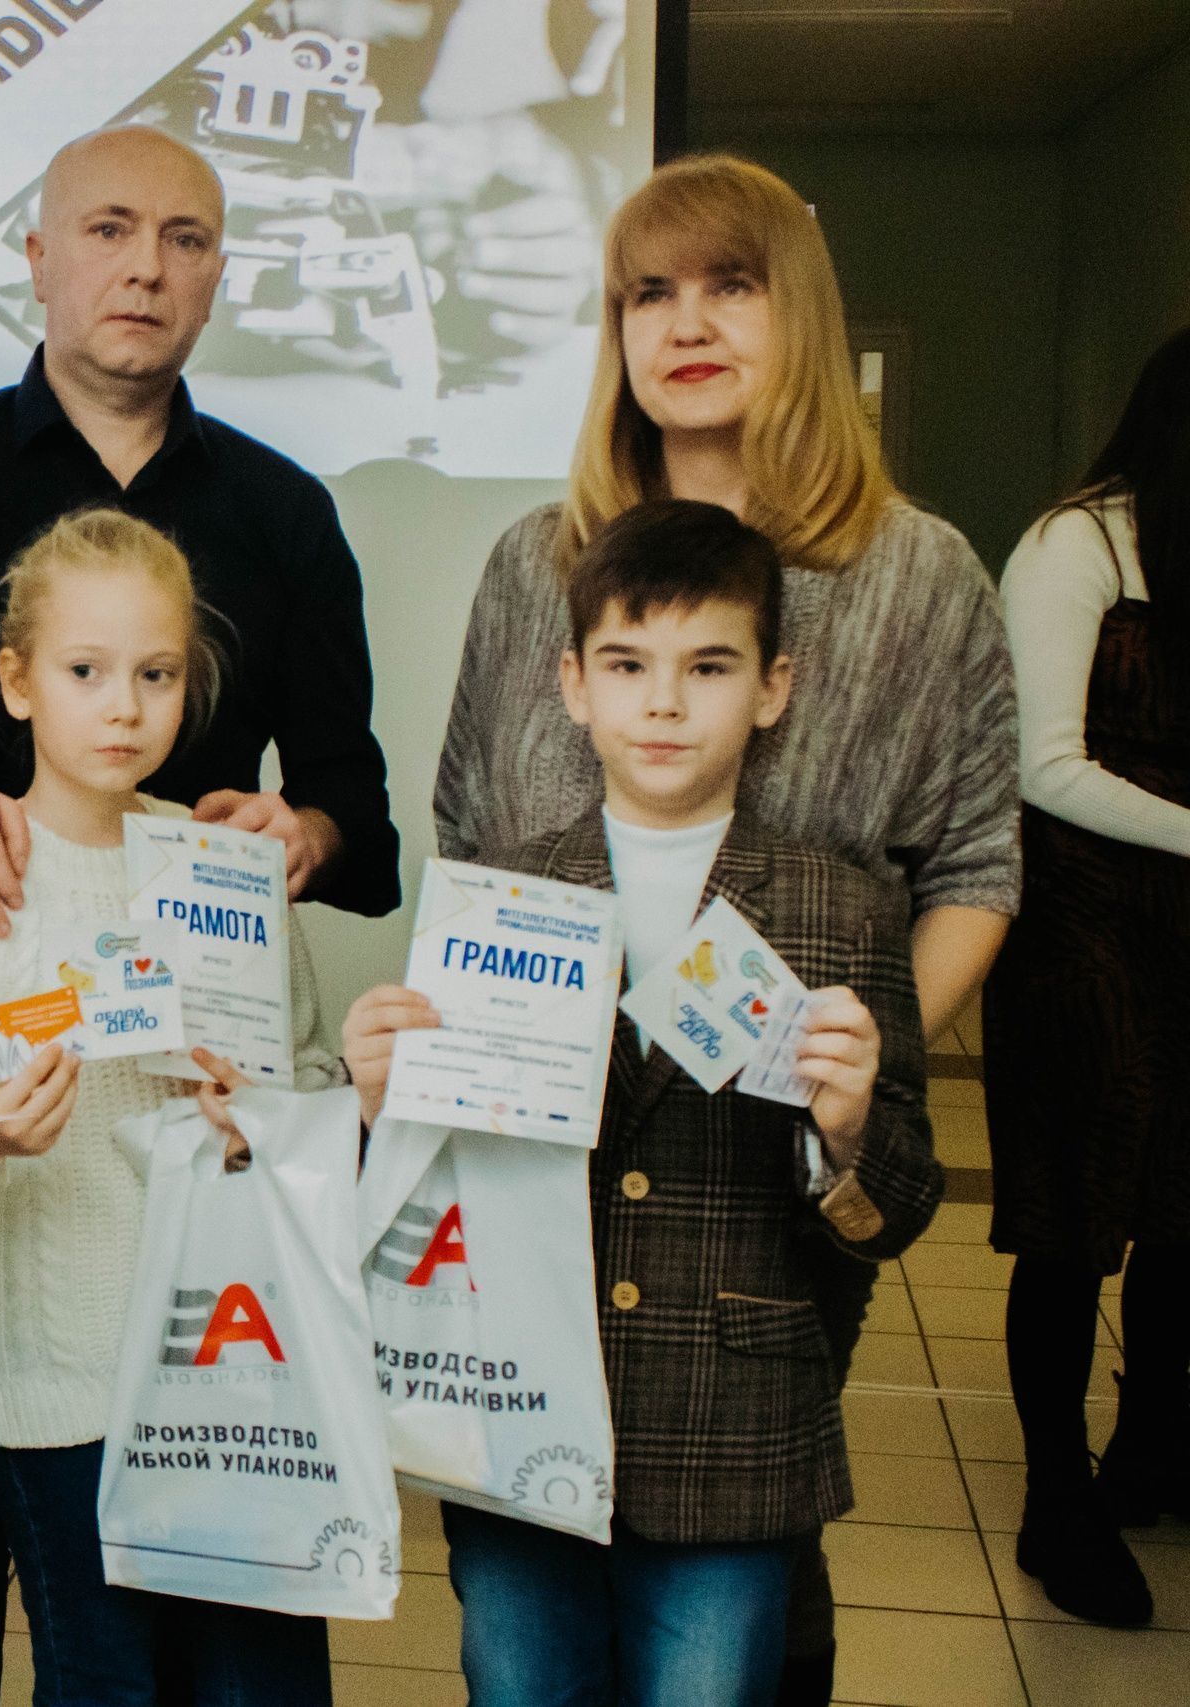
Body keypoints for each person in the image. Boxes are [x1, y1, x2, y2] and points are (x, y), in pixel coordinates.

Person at [0, 123, 399, 1704]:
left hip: (207, 1145)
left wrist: (295, 835)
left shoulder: (286, 509)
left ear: (219, 275)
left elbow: (354, 808)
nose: (145, 266)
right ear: (37, 257)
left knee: (223, 1611)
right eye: (109, 229)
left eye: (186, 238)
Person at [430, 152, 1018, 1704]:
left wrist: (848, 1075)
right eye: (650, 293)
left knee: (748, 1558)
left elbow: (976, 863)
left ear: (799, 311)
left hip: (768, 1171)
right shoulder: (534, 563)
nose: (686, 323)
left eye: (731, 285)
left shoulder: (916, 572)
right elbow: (469, 835)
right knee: (536, 1581)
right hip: (545, 1175)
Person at [357, 500, 941, 1706]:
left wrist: (846, 1131)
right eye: (627, 665)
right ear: (573, 685)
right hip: (515, 1413)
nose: (663, 703)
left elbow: (898, 1212)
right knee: (521, 1689)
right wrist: (378, 1105)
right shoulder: (496, 895)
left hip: (733, 1425)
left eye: (707, 667)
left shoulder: (842, 914)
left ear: (772, 689)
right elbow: (430, 1188)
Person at [0, 508, 340, 1707]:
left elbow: (314, 1089)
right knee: (105, 1682)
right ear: (15, 684)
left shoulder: (224, 871)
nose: (123, 708)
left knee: (261, 1686)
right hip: (57, 1387)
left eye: (155, 675)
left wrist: (256, 1110)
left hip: (236, 1376)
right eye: (84, 672)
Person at [983, 325, 1190, 1627]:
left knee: (1182, 1209)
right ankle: (1056, 1496)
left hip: (1184, 921)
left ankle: (1153, 1444)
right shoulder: (1079, 544)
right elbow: (1042, 766)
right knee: (1072, 1222)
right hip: (1081, 929)